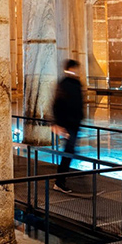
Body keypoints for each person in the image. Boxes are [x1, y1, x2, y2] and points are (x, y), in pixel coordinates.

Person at [50, 59, 85, 194]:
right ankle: (59, 182)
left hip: (75, 123)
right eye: (75, 68)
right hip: (67, 124)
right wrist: (56, 123)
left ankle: (62, 179)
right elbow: (57, 104)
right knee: (69, 150)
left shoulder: (76, 83)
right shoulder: (64, 84)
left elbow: (78, 103)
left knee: (70, 150)